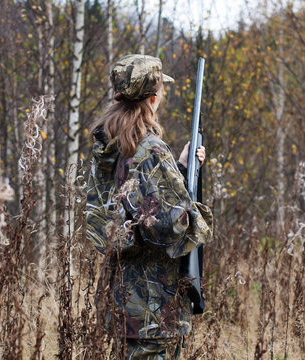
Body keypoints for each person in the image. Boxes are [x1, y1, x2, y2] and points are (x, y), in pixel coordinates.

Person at [86, 54, 213, 359]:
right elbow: (176, 225)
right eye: (162, 91)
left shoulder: (109, 146)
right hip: (156, 306)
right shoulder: (151, 149)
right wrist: (199, 214)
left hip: (122, 299)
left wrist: (180, 170)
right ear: (153, 97)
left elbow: (131, 204)